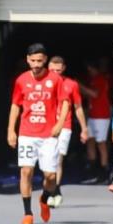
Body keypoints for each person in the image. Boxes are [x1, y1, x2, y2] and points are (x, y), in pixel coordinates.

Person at [7, 44, 69, 224]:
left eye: (39, 61)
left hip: (48, 135)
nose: (36, 64)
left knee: (50, 176)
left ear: (45, 61)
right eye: (32, 60)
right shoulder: (21, 80)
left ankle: (44, 198)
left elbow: (65, 102)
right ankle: (27, 213)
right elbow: (15, 106)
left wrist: (59, 123)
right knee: (26, 171)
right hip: (27, 133)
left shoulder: (55, 80)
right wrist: (11, 130)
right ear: (27, 60)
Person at [47, 56, 88, 207]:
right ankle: (51, 189)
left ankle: (55, 191)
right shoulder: (43, 84)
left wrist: (84, 129)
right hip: (45, 126)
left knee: (58, 159)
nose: (55, 73)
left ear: (63, 68)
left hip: (65, 126)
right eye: (52, 70)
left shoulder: (71, 84)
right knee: (47, 159)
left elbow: (78, 107)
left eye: (58, 70)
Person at [80, 60, 112, 183]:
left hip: (101, 116)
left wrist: (79, 85)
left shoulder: (100, 79)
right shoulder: (92, 79)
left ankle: (104, 173)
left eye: (90, 69)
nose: (89, 72)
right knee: (90, 141)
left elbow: (94, 94)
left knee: (101, 143)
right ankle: (92, 171)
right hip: (92, 115)